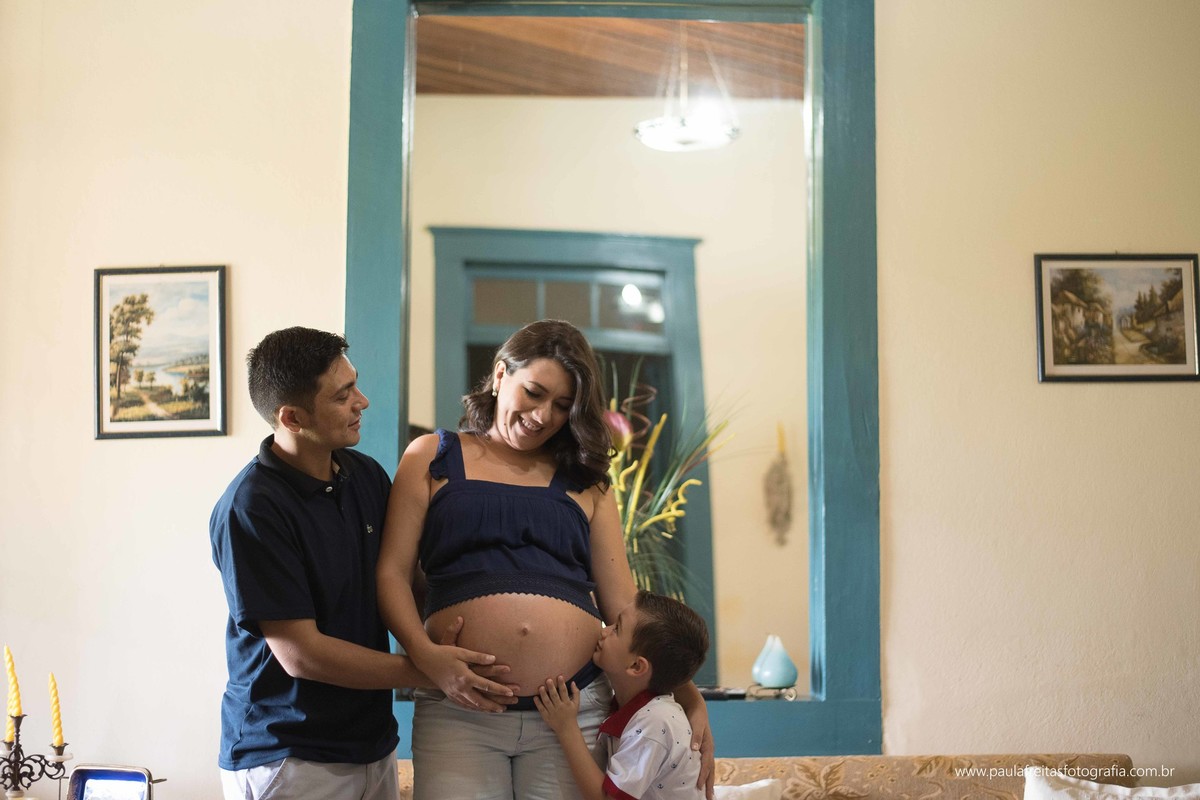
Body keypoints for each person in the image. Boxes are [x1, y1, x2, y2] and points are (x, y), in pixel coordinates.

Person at [376, 318, 714, 800]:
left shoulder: (588, 481)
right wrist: (426, 658)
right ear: (499, 376)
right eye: (533, 393)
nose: (542, 416)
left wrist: (690, 697)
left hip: (574, 711)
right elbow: (391, 574)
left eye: (561, 406)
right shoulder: (431, 455)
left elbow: (623, 604)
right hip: (460, 710)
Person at [210, 326, 514, 800]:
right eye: (343, 394)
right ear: (291, 417)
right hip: (287, 753)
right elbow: (301, 654)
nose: (363, 401)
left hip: (371, 742)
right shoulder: (252, 508)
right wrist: (429, 668)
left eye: (356, 384)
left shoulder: (365, 475)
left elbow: (406, 580)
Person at [534, 590, 710, 800]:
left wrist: (566, 728)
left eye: (616, 628)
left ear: (636, 666)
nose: (604, 631)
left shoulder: (655, 722)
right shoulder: (639, 708)